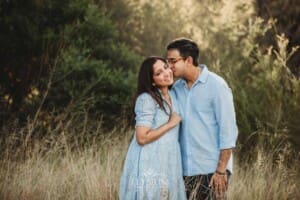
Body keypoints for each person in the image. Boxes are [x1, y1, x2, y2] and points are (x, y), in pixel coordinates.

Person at [166, 38, 238, 200]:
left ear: (189, 60)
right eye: (167, 61)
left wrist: (220, 170)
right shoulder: (177, 88)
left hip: (211, 171)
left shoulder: (217, 86)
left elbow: (228, 131)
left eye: (173, 61)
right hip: (185, 171)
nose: (169, 66)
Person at [119, 56, 186, 200]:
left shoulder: (174, 95)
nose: (166, 73)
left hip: (169, 157)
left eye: (166, 67)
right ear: (152, 81)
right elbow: (141, 138)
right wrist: (170, 124)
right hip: (149, 159)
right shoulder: (146, 99)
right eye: (159, 73)